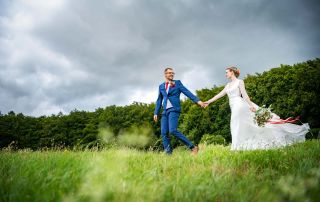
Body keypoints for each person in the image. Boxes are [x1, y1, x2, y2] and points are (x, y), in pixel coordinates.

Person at [204, 66, 309, 150]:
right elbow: (219, 94)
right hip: (234, 106)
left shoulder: (240, 82)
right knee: (241, 125)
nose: (226, 74)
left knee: (235, 124)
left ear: (232, 72)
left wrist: (250, 106)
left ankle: (235, 147)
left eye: (227, 72)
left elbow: (244, 95)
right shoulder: (228, 85)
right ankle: (239, 146)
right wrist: (208, 102)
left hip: (239, 105)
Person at [154, 67, 205, 154]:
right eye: (169, 73)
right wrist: (156, 112)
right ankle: (168, 154)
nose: (172, 74)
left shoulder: (177, 83)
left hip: (174, 109)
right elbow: (159, 100)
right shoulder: (161, 86)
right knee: (163, 133)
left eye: (172, 73)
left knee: (173, 130)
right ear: (165, 74)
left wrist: (198, 101)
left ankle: (193, 147)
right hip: (165, 111)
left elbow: (187, 92)